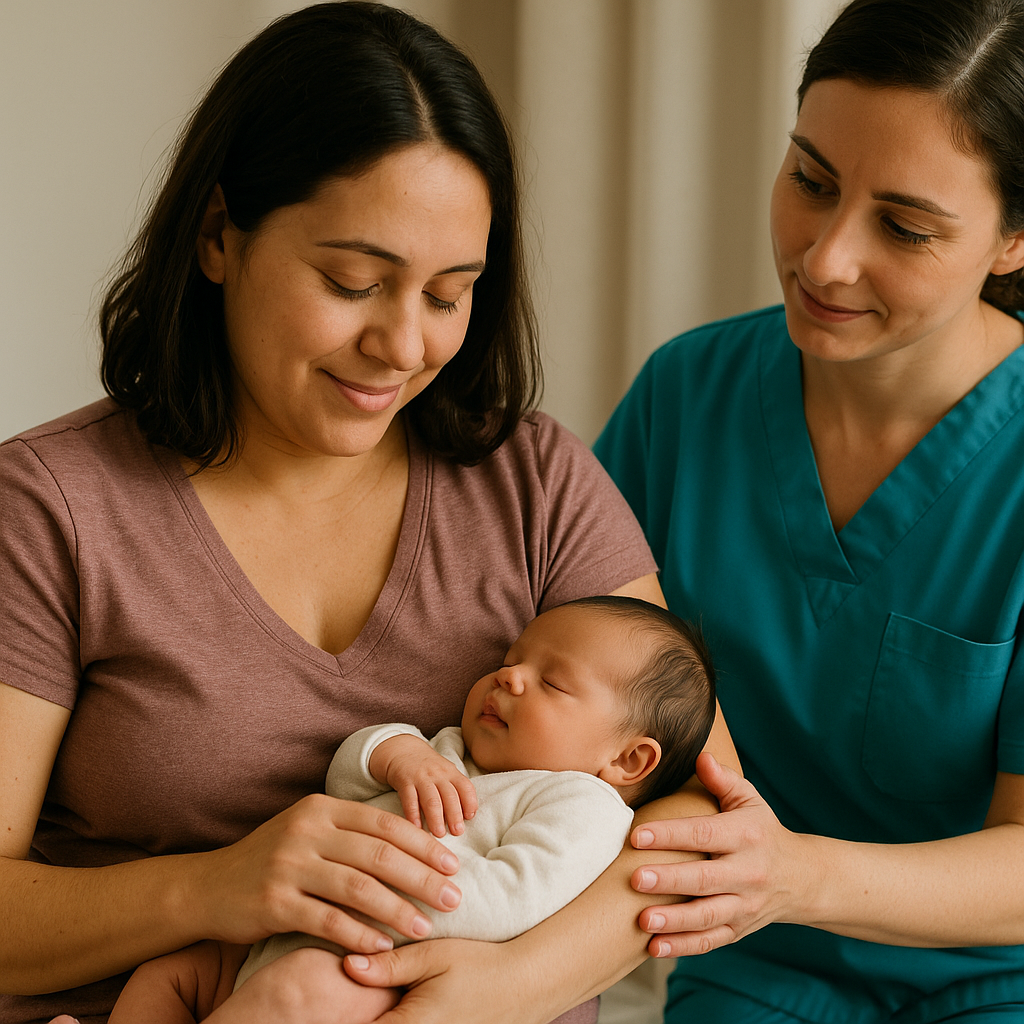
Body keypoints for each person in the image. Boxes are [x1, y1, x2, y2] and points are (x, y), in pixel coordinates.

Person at [0, 4, 738, 1024]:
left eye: (448, 294)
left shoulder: (535, 482)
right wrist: (218, 884)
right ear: (220, 235)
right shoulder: (52, 508)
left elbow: (703, 810)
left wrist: (504, 987)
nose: (402, 345)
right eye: (355, 281)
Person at [594, 0, 1024, 1020]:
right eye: (810, 181)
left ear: (1013, 240)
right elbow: (573, 680)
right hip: (753, 971)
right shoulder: (684, 399)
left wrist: (793, 875)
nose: (825, 258)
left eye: (905, 227)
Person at [107, 596, 717, 1024]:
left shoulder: (582, 805)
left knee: (298, 995)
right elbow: (344, 782)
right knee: (171, 972)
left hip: (379, 965)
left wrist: (380, 898)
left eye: (551, 683)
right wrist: (396, 754)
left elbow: (511, 898)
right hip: (283, 934)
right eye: (511, 660)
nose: (510, 678)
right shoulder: (449, 749)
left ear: (629, 761)